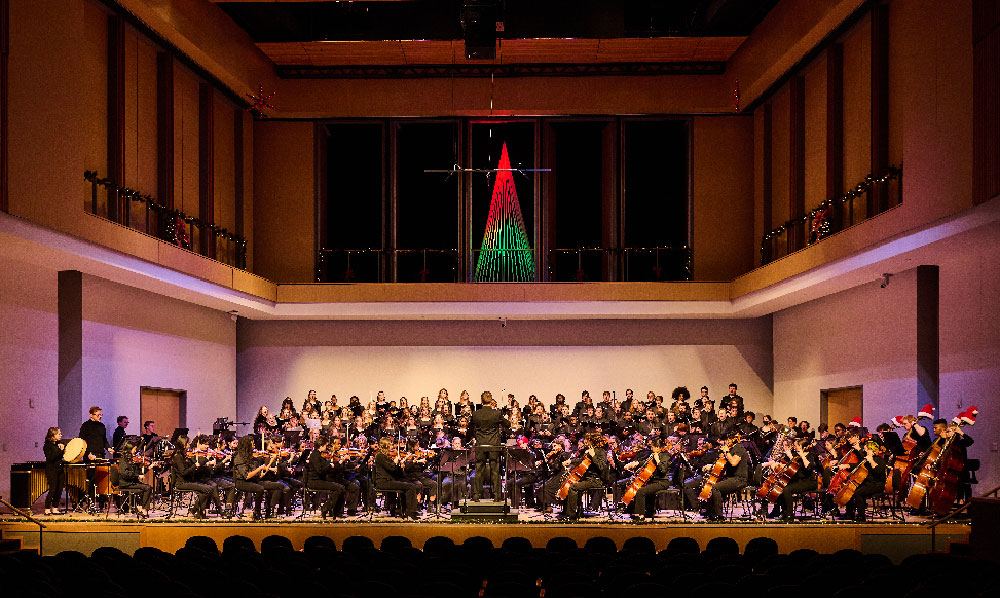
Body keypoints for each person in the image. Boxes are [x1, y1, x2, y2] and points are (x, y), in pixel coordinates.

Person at [686, 432, 749, 521]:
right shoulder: (730, 449)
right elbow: (721, 465)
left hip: (739, 479)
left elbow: (734, 462)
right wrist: (711, 466)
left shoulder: (739, 448)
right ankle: (709, 511)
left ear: (728, 440)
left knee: (716, 488)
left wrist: (726, 452)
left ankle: (719, 516)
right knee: (711, 485)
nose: (722, 444)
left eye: (724, 441)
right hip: (730, 478)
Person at [562, 432, 612, 520]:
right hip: (587, 478)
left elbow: (601, 467)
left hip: (596, 480)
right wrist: (570, 461)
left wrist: (593, 455)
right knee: (569, 484)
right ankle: (575, 511)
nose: (586, 442)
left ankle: (572, 515)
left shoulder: (601, 452)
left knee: (573, 488)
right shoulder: (589, 450)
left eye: (588, 440)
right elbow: (581, 461)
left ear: (592, 441)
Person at [470, 390, 509, 500]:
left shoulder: (476, 414)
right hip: (493, 445)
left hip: (481, 445)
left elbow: (470, 427)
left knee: (479, 470)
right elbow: (508, 424)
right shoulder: (496, 414)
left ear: (481, 401)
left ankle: (476, 495)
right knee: (495, 471)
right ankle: (497, 496)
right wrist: (502, 416)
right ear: (491, 401)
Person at [374, 436, 421, 519]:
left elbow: (395, 471)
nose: (392, 447)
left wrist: (401, 463)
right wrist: (395, 462)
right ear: (386, 446)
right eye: (391, 445)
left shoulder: (387, 456)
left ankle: (405, 510)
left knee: (411, 484)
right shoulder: (380, 456)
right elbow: (391, 468)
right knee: (410, 486)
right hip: (384, 482)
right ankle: (411, 512)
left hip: (390, 480)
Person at [170, 435, 216, 519]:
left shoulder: (184, 455)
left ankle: (199, 512)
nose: (189, 445)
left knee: (209, 489)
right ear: (183, 444)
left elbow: (192, 466)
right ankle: (195, 510)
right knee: (208, 489)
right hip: (182, 483)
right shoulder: (178, 456)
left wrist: (202, 460)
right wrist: (194, 466)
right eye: (188, 443)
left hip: (188, 481)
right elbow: (183, 472)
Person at [629, 437, 674, 521]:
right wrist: (636, 463)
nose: (651, 448)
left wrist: (658, 461)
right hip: (654, 481)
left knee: (641, 491)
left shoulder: (666, 455)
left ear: (657, 447)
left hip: (662, 482)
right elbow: (646, 462)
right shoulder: (654, 454)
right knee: (636, 487)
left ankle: (640, 515)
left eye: (652, 447)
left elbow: (663, 470)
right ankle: (647, 512)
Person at [306, 436, 345, 519]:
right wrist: (329, 464)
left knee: (341, 488)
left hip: (320, 480)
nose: (327, 448)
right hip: (314, 481)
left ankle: (335, 511)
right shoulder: (315, 455)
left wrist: (334, 464)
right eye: (326, 446)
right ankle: (326, 507)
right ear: (321, 445)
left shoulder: (319, 454)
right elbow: (320, 471)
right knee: (339, 488)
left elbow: (325, 468)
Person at [232, 435, 268, 520]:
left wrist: (267, 465)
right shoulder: (239, 458)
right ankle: (257, 512)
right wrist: (259, 468)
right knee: (260, 489)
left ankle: (269, 510)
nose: (254, 446)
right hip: (241, 482)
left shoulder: (250, 457)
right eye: (252, 444)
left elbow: (258, 475)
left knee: (276, 486)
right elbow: (247, 476)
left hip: (252, 480)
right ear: (247, 445)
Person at [116, 440, 152, 517]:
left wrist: (148, 468)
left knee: (147, 487)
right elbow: (124, 473)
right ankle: (143, 509)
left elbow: (138, 472)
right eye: (134, 449)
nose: (135, 451)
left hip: (131, 482)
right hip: (126, 483)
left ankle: (140, 507)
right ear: (129, 449)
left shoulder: (131, 459)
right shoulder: (123, 460)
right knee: (147, 488)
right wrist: (137, 476)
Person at [42, 427, 66, 515]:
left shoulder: (58, 444)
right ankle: (47, 508)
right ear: (53, 435)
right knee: (53, 489)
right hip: (52, 470)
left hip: (60, 469)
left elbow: (63, 450)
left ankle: (55, 508)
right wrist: (61, 450)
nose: (61, 435)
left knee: (59, 489)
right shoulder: (47, 445)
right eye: (59, 434)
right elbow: (51, 457)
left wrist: (62, 447)